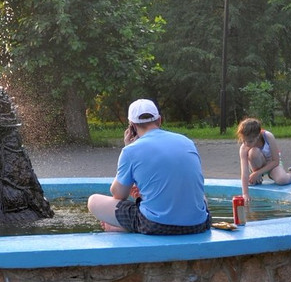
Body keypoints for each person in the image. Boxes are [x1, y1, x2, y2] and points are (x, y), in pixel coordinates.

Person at [87, 99, 211, 234]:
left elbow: (118, 194)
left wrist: (127, 148)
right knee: (201, 197)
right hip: (199, 224)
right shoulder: (187, 142)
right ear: (159, 120)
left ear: (132, 126)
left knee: (93, 201)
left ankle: (119, 227)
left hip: (157, 225)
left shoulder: (130, 151)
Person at [237, 117, 291, 202]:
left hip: (272, 165)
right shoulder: (244, 147)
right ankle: (258, 178)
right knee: (253, 152)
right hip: (257, 165)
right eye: (244, 141)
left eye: (250, 141)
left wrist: (257, 173)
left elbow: (276, 161)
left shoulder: (268, 136)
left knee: (282, 180)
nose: (247, 144)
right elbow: (244, 172)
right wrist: (245, 194)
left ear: (258, 135)